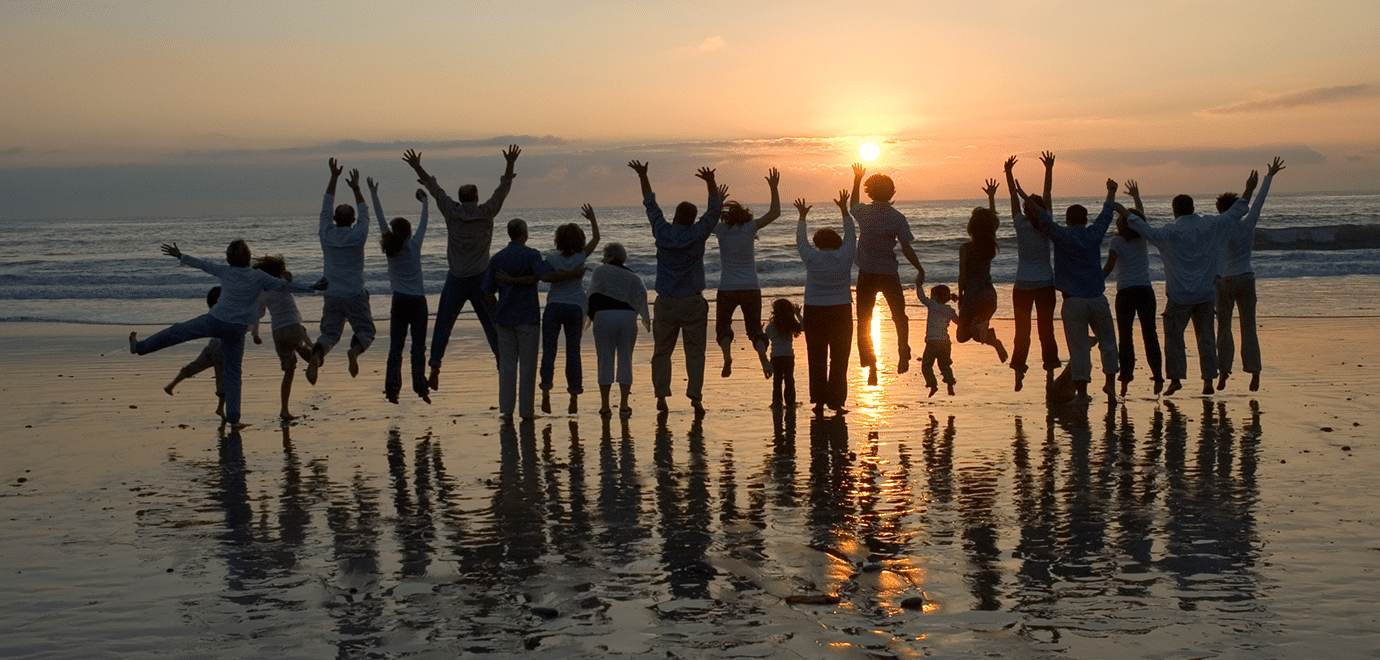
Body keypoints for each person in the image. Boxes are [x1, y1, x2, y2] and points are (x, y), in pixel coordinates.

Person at [130, 240, 326, 428]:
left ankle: (141, 347)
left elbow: (202, 265)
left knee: (178, 331)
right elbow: (285, 286)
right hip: (236, 329)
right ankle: (234, 419)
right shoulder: (257, 276)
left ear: (228, 259)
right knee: (232, 373)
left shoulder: (225, 271)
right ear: (248, 257)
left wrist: (179, 255)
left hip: (216, 321)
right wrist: (312, 288)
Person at [1127, 171, 1257, 396]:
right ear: (1193, 207)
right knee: (1205, 336)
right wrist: (1249, 189)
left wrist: (1123, 211)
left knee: (1174, 337)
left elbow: (1146, 230)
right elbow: (1235, 212)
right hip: (1206, 293)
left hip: (1180, 296)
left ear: (1175, 210)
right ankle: (1208, 381)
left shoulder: (1170, 231)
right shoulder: (1209, 224)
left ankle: (1176, 379)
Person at [402, 145, 519, 390]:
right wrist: (510, 164)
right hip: (481, 279)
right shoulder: (486, 212)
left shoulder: (451, 211)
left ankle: (435, 366)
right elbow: (503, 189)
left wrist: (416, 166)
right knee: (492, 325)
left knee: (444, 323)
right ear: (476, 198)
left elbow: (434, 188)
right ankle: (501, 363)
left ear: (460, 197)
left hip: (456, 278)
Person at [628, 160, 724, 414]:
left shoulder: (662, 231)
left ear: (675, 216)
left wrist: (643, 175)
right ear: (692, 219)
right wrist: (711, 182)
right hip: (692, 300)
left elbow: (651, 204)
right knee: (695, 351)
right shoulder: (698, 233)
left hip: (667, 301)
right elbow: (714, 211)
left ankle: (661, 395)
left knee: (662, 351)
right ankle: (695, 396)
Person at [1026, 178, 1122, 401]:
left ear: (1068, 220)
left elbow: (1041, 218)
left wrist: (1022, 194)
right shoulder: (1094, 233)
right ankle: (1110, 385)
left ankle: (1082, 392)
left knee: (1078, 348)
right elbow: (1107, 213)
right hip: (1097, 297)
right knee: (1108, 342)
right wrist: (1111, 191)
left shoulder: (1062, 234)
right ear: (1085, 219)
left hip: (1073, 301)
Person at [483, 219, 585, 421]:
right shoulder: (531, 255)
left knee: (507, 364)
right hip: (527, 316)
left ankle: (506, 409)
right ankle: (526, 411)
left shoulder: (497, 258)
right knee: (527, 365)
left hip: (504, 317)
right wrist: (572, 273)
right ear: (524, 234)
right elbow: (545, 275)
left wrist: (495, 312)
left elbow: (487, 292)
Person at [850, 163, 925, 384]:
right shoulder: (897, 217)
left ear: (870, 192)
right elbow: (906, 247)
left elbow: (852, 203)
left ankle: (871, 363)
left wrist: (856, 179)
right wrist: (919, 268)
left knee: (864, 319)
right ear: (892, 192)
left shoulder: (863, 212)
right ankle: (903, 349)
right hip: (889, 274)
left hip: (867, 274)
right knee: (899, 316)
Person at [1216, 157, 1285, 392]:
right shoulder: (1248, 224)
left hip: (1224, 281)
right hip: (1245, 278)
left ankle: (1224, 372)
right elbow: (1259, 203)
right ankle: (1254, 371)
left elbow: (1209, 260)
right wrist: (1267, 179)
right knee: (1249, 327)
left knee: (1223, 328)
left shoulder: (1218, 229)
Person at [306, 159, 372, 385]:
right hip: (354, 293)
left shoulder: (326, 233)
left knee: (330, 335)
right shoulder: (358, 235)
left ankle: (317, 355)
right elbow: (365, 212)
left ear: (334, 220)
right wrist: (356, 188)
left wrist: (333, 177)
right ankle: (354, 352)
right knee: (366, 331)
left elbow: (326, 205)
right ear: (352, 221)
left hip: (332, 293)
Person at [714, 167, 781, 379]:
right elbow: (775, 213)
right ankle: (762, 355)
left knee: (723, 325)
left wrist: (716, 201)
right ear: (746, 216)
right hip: (751, 287)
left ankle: (727, 356)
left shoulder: (721, 230)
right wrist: (773, 188)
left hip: (726, 288)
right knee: (754, 328)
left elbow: (707, 221)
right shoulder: (751, 227)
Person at [369, 178, 431, 404]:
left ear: (394, 232)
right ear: (408, 232)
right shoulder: (414, 245)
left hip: (400, 301)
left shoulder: (390, 247)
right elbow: (425, 221)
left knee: (396, 346)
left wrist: (373, 193)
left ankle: (393, 389)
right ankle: (420, 387)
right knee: (418, 346)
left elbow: (380, 218)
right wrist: (424, 201)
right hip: (418, 302)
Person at [1003, 153, 1061, 391]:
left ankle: (1019, 371)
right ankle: (1049, 372)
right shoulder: (1047, 224)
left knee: (1022, 331)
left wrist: (1008, 174)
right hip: (1045, 283)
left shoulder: (1021, 223)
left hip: (1023, 285)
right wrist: (1048, 170)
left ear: (1027, 211)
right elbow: (1047, 195)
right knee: (1046, 329)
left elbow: (1013, 199)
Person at [794, 193, 856, 414]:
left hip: (814, 311)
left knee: (816, 356)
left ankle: (819, 401)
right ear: (837, 243)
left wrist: (802, 217)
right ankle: (836, 402)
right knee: (840, 358)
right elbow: (851, 235)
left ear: (818, 243)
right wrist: (844, 210)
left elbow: (800, 241)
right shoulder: (845, 256)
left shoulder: (811, 257)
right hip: (841, 310)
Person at [1102, 181, 1163, 396]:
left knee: (1125, 337)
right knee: (1150, 334)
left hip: (1126, 292)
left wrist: (1094, 280)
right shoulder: (1143, 238)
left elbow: (1108, 268)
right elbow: (1140, 219)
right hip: (1145, 290)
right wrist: (1136, 198)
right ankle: (1157, 376)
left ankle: (1125, 381)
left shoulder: (1116, 242)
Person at [539, 204, 601, 415]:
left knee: (549, 351)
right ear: (579, 240)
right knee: (573, 352)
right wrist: (592, 219)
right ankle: (573, 396)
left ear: (559, 240)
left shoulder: (552, 259)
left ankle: (546, 393)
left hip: (554, 305)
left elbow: (545, 277)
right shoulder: (581, 257)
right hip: (575, 306)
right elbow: (597, 239)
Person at [586, 242, 650, 418]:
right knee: (626, 359)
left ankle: (605, 406)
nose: (602, 258)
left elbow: (592, 295)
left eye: (605, 255)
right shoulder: (633, 277)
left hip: (604, 317)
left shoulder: (599, 271)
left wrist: (591, 316)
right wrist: (639, 317)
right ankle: (623, 404)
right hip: (627, 318)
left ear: (612, 257)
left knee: (605, 358)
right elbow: (640, 297)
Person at [250, 255, 316, 419]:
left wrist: (255, 334)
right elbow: (292, 281)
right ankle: (310, 351)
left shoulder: (262, 292)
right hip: (294, 328)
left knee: (289, 371)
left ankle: (284, 409)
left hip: (278, 334)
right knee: (303, 337)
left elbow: (256, 316)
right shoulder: (283, 283)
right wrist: (314, 286)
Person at [957, 198, 1008, 362]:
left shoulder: (966, 248)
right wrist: (992, 199)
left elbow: (962, 276)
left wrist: (960, 295)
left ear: (971, 227)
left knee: (962, 336)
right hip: (989, 295)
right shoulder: (990, 245)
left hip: (972, 294)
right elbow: (993, 222)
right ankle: (986, 334)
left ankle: (989, 337)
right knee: (978, 333)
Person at [163, 286, 226, 418]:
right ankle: (220, 408)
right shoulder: (229, 311)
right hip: (223, 348)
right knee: (224, 379)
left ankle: (172, 385)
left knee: (195, 366)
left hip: (212, 344)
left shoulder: (213, 313)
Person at [914, 278, 959, 397]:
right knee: (944, 365)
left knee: (926, 365)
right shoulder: (949, 310)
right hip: (945, 342)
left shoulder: (932, 305)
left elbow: (922, 297)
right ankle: (950, 385)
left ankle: (933, 384)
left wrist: (919, 286)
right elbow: (959, 322)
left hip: (932, 343)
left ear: (936, 297)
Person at [762, 297, 802, 409]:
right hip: (788, 356)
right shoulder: (790, 325)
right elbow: (803, 326)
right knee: (789, 379)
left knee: (777, 381)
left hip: (775, 357)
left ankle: (777, 402)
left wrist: (760, 332)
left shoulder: (771, 327)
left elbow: (765, 339)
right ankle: (790, 402)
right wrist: (798, 315)